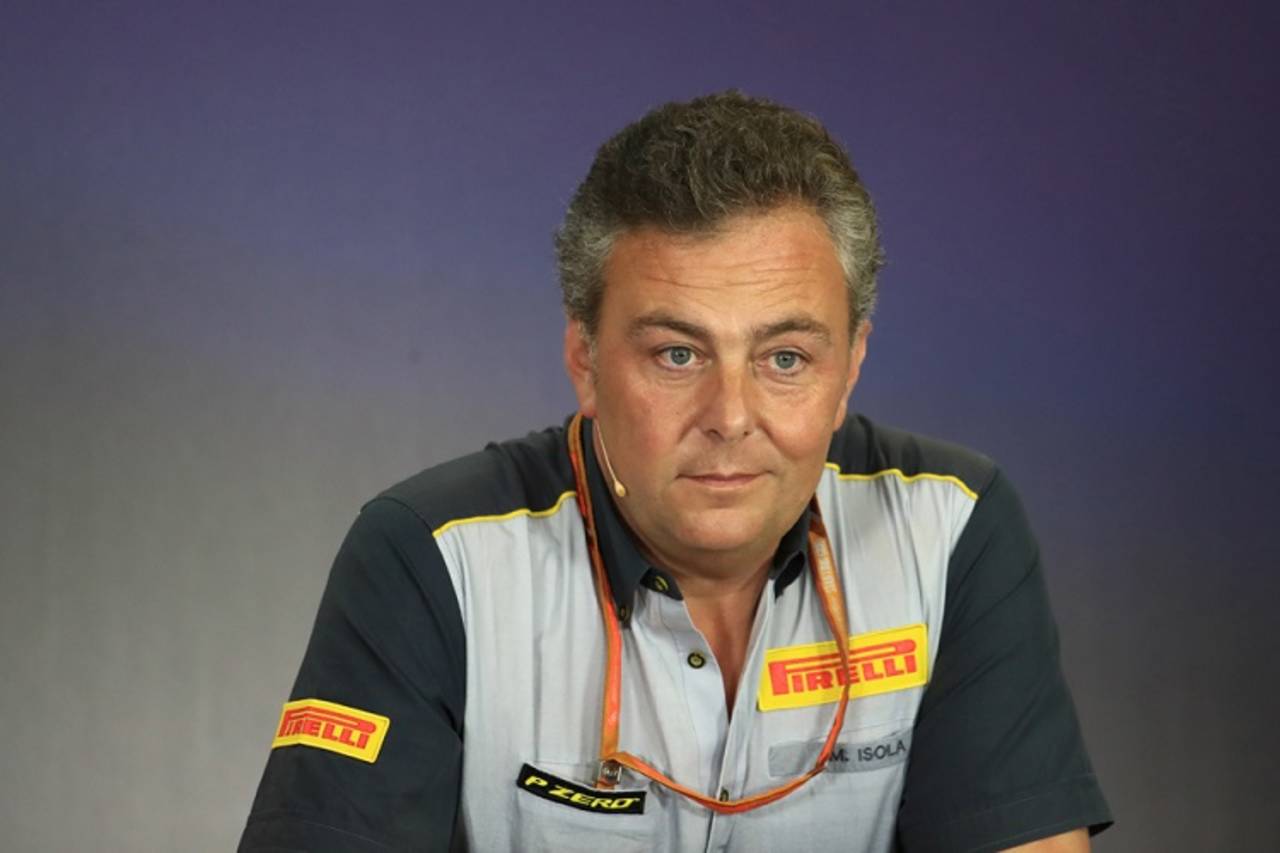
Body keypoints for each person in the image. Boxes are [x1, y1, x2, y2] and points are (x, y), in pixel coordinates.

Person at [239, 91, 1112, 852]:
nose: (730, 416)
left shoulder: (952, 526)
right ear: (585, 359)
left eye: (784, 358)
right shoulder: (434, 560)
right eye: (677, 354)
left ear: (850, 366)